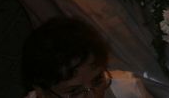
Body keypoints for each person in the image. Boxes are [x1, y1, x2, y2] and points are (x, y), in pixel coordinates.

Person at [22, 16, 151, 98]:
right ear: (41, 93)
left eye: (97, 81)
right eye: (75, 92)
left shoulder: (127, 91)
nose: (93, 97)